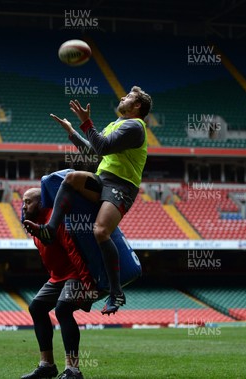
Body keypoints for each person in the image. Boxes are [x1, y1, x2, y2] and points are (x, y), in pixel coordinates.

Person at [24, 86, 152, 315]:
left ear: (137, 106)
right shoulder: (117, 125)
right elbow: (95, 153)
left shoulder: (135, 126)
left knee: (100, 231)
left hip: (122, 186)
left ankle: (116, 292)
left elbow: (101, 146)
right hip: (104, 180)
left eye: (129, 97)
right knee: (71, 178)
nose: (123, 97)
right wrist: (73, 132)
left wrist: (86, 122)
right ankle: (50, 229)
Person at [21, 188, 97, 379]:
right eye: (23, 202)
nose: (23, 206)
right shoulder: (33, 225)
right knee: (36, 308)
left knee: (62, 309)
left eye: (28, 202)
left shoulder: (54, 219)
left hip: (75, 273)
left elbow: (72, 250)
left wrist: (86, 282)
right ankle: (47, 365)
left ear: (40, 203)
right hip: (57, 276)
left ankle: (73, 370)